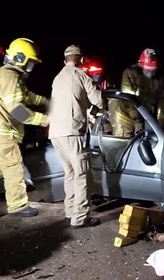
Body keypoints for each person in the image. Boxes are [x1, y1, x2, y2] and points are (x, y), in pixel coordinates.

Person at [0, 38, 49, 217]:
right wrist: (45, 120)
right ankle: (17, 205)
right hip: (2, 132)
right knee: (13, 165)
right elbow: (17, 111)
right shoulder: (9, 76)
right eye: (30, 62)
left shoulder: (11, 76)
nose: (31, 67)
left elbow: (28, 96)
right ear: (20, 58)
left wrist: (46, 102)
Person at [48, 45, 103, 228]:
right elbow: (99, 101)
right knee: (82, 175)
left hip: (56, 134)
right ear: (81, 60)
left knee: (70, 174)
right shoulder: (81, 75)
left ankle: (70, 210)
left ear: (65, 60)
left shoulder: (57, 78)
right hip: (73, 133)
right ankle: (80, 218)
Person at [109, 48, 164, 138]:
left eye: (153, 71)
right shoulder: (130, 73)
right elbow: (127, 99)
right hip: (125, 118)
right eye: (148, 70)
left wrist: (161, 124)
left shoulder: (159, 79)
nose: (151, 74)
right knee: (123, 145)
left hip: (144, 118)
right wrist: (137, 121)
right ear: (141, 64)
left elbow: (162, 102)